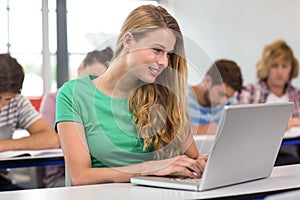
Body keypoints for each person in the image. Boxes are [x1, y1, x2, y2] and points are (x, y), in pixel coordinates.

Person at [56, 4, 207, 186]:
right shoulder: (74, 94)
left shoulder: (162, 95)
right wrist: (150, 168)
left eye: (168, 54)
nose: (164, 62)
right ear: (128, 41)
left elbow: (194, 161)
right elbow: (80, 176)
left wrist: (201, 164)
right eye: (157, 50)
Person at [40, 47, 114, 187]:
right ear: (80, 69)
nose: (93, 85)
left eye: (101, 80)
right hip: (60, 177)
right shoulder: (54, 99)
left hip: (100, 176)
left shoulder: (105, 104)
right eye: (91, 77)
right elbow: (51, 140)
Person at [0, 53, 59, 191]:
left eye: (7, 99)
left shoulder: (17, 101)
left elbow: (50, 139)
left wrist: (3, 145)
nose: (1, 106)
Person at [237, 39, 300, 166]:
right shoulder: (250, 92)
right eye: (275, 66)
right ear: (266, 67)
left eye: (285, 66)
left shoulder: (297, 95)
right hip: (258, 154)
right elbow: (240, 124)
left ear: (291, 68)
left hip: (293, 152)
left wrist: (294, 121)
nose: (280, 72)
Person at [188, 59, 243, 135]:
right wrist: (202, 130)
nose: (223, 102)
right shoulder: (178, 97)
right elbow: (170, 133)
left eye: (228, 97)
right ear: (207, 81)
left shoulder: (230, 104)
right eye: (221, 94)